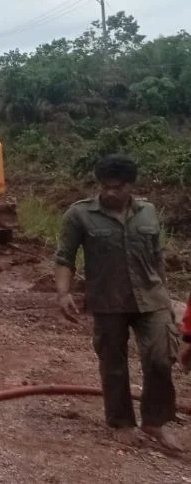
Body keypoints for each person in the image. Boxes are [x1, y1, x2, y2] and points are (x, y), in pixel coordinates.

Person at [55, 154, 178, 450]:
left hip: (151, 298)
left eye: (117, 187)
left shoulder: (148, 212)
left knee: (160, 359)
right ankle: (121, 422)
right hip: (107, 300)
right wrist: (63, 293)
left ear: (130, 186)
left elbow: (157, 257)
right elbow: (65, 257)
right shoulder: (79, 215)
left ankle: (154, 421)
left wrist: (168, 295)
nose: (110, 192)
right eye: (105, 186)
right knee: (113, 364)